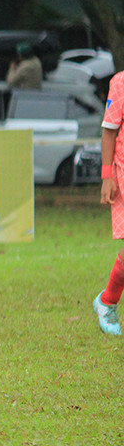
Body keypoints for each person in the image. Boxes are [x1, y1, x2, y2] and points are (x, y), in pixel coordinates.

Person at [93, 68, 124, 335]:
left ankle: (107, 300)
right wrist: (107, 175)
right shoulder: (120, 83)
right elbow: (109, 131)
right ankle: (107, 301)